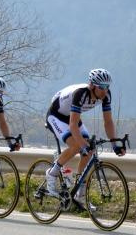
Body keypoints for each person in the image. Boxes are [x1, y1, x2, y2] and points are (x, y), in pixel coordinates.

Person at [45, 68, 125, 204]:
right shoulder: (81, 93)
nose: (105, 90)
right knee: (77, 145)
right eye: (102, 87)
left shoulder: (106, 95)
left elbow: (108, 122)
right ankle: (52, 173)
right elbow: (73, 125)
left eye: (107, 87)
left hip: (72, 117)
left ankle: (78, 194)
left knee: (89, 151)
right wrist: (82, 145)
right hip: (56, 116)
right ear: (92, 85)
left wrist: (114, 144)